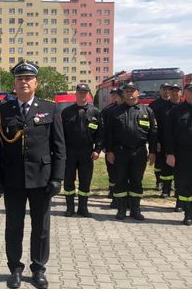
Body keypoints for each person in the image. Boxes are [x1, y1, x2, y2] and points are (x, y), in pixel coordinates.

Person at [0, 61, 65, 289]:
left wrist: (57, 178)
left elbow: (59, 147)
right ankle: (15, 268)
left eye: (28, 78)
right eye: (19, 78)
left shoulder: (50, 109)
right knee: (13, 227)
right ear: (14, 84)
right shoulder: (3, 111)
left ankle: (38, 269)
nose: (23, 82)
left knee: (41, 227)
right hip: (13, 178)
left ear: (36, 83)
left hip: (41, 178)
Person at [105, 82, 157, 220]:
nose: (129, 93)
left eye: (132, 91)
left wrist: (152, 152)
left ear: (138, 93)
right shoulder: (115, 111)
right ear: (124, 94)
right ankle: (121, 210)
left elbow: (153, 133)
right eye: (127, 91)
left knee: (137, 181)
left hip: (139, 152)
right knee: (120, 180)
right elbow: (109, 133)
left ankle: (135, 210)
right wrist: (109, 151)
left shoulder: (147, 111)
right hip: (120, 152)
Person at [61, 84, 103, 217]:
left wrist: (97, 150)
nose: (82, 94)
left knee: (85, 181)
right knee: (68, 180)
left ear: (88, 94)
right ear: (76, 94)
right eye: (80, 92)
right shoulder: (66, 112)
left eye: (85, 92)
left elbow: (100, 133)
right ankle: (70, 208)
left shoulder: (95, 112)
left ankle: (83, 208)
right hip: (70, 152)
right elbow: (60, 133)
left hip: (87, 152)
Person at [165, 83, 192, 225]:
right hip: (183, 155)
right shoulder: (176, 111)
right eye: (190, 91)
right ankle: (188, 214)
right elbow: (168, 135)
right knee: (184, 184)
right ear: (185, 93)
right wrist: (170, 153)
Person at [158, 84, 182, 207]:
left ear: (181, 93)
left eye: (177, 91)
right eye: (172, 91)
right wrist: (157, 141)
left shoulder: (184, 107)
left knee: (180, 169)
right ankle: (166, 189)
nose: (174, 93)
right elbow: (157, 127)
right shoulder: (162, 108)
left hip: (182, 144)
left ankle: (178, 191)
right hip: (165, 142)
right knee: (166, 166)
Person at [101, 88, 124, 207]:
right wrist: (104, 145)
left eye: (118, 95)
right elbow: (103, 129)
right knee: (112, 172)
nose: (116, 97)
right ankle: (113, 192)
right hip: (112, 147)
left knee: (123, 173)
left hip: (125, 148)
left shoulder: (130, 109)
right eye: (114, 94)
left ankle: (122, 198)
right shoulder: (108, 110)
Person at [149, 83, 171, 190]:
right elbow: (151, 124)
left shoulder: (175, 104)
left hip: (171, 138)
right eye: (164, 89)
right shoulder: (154, 105)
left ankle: (169, 183)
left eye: (168, 89)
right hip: (158, 137)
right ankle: (159, 182)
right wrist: (155, 141)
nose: (166, 91)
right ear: (160, 90)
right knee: (158, 162)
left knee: (170, 161)